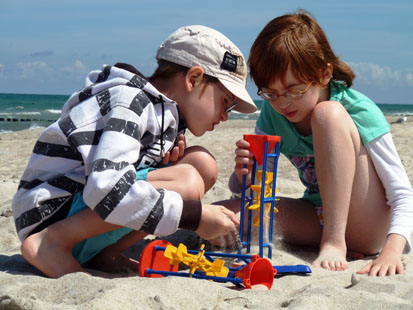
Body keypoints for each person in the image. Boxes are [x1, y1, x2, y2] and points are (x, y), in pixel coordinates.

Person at [12, 25, 257, 278]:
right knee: (186, 180)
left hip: (78, 208)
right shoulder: (131, 101)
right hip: (49, 214)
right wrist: (194, 216)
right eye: (226, 102)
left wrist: (155, 159)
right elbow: (104, 187)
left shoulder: (162, 117)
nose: (225, 117)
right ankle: (51, 243)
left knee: (201, 164)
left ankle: (104, 254)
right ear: (193, 79)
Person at [227, 10, 413, 276]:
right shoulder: (273, 112)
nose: (282, 103)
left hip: (368, 225)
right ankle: (331, 238)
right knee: (228, 213)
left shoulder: (356, 109)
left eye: (294, 90)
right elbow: (252, 192)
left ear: (324, 74)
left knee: (326, 114)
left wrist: (392, 252)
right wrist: (240, 175)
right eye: (270, 93)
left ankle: (335, 243)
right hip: (317, 215)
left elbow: (403, 195)